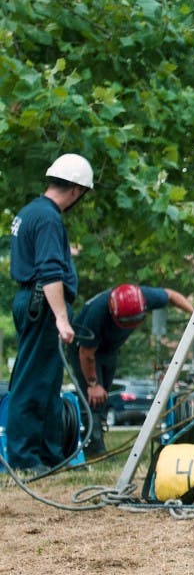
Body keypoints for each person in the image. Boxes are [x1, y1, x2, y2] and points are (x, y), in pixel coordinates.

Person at [7, 153, 93, 473]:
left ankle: (49, 456)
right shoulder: (48, 217)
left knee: (46, 382)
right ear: (76, 191)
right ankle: (25, 459)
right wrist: (60, 317)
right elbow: (48, 271)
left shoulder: (30, 212)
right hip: (42, 305)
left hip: (32, 301)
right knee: (32, 383)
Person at [70, 284, 194, 458]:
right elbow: (86, 353)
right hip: (85, 349)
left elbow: (171, 295)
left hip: (109, 349)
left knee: (104, 394)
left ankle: (98, 438)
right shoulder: (97, 313)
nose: (130, 325)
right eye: (125, 321)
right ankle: (93, 446)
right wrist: (92, 384)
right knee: (94, 397)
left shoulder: (141, 297)